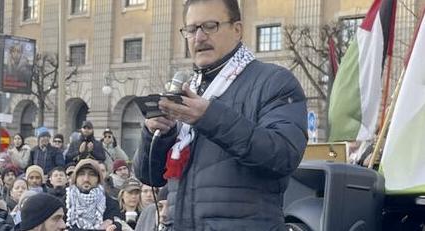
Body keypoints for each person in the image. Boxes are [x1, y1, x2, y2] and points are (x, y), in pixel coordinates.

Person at [133, 0, 308, 230]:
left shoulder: (275, 82)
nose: (199, 37)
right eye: (191, 29)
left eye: (210, 26)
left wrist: (208, 117)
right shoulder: (191, 88)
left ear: (237, 30)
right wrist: (157, 133)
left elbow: (283, 155)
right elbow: (151, 176)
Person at [66, 159, 121, 230]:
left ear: (98, 179)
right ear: (75, 178)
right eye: (81, 174)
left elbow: (116, 226)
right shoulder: (66, 202)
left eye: (92, 174)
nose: (86, 179)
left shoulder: (111, 204)